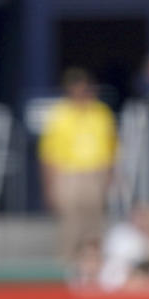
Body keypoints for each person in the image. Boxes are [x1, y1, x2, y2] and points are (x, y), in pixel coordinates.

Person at [38, 68, 118, 264]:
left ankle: (93, 264)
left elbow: (111, 150)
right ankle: (68, 263)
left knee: (94, 222)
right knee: (71, 222)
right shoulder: (59, 114)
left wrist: (110, 177)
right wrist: (50, 186)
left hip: (95, 174)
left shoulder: (101, 113)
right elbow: (48, 155)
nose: (81, 94)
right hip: (68, 174)